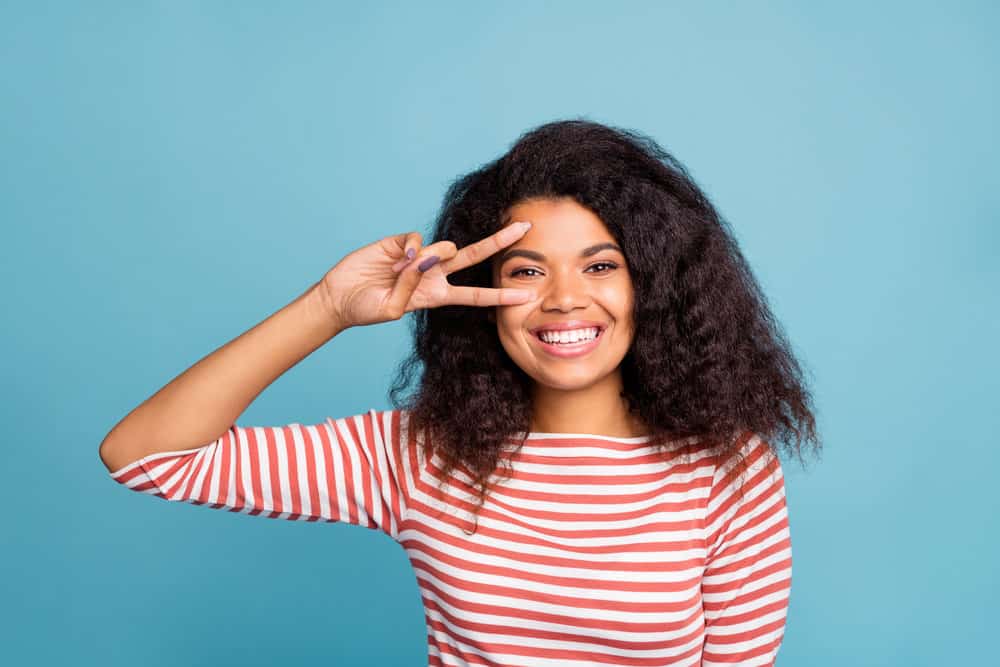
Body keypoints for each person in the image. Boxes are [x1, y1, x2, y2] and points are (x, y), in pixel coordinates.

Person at [100, 119, 819, 666]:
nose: (564, 300)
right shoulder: (418, 454)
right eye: (527, 272)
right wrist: (327, 306)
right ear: (486, 294)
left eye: (600, 266)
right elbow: (145, 456)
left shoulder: (729, 469)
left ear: (654, 285)